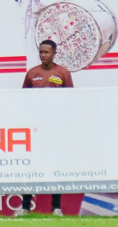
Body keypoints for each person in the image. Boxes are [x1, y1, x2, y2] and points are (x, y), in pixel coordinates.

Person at [14, 39, 74, 217]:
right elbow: (23, 100)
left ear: (54, 53)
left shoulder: (63, 73)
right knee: (31, 166)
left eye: (46, 52)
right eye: (41, 52)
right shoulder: (32, 74)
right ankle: (25, 207)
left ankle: (56, 207)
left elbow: (72, 99)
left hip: (56, 127)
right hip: (34, 128)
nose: (43, 55)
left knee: (55, 165)